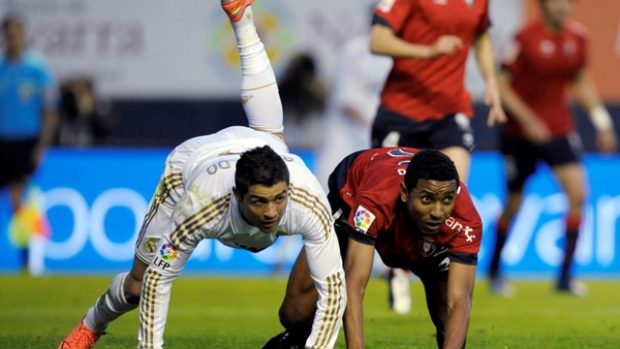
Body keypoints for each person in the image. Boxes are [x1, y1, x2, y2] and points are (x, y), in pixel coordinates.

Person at [56, 1, 346, 348]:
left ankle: (243, 20)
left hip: (260, 146)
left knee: (272, 136)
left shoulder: (307, 202)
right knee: (137, 283)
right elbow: (158, 281)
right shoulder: (200, 207)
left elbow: (333, 293)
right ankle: (91, 325)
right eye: (259, 201)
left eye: (277, 200)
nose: (271, 213)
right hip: (192, 163)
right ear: (239, 196)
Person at [264, 147, 482, 349]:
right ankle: (297, 337)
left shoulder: (466, 220)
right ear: (405, 192)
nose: (437, 211)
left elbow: (460, 299)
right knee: (294, 313)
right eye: (427, 198)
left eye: (447, 200)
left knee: (450, 321)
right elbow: (354, 283)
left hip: (422, 241)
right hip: (350, 201)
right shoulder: (373, 200)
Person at [368, 0, 505, 314]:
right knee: (395, 198)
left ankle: (436, 266)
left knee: (452, 188)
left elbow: (481, 35)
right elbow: (377, 41)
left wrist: (491, 81)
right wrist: (428, 50)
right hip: (401, 111)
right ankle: (399, 268)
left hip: (449, 110)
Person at [487, 0, 617, 296]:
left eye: (568, 2)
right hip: (519, 133)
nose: (565, 7)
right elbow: (502, 86)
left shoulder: (578, 38)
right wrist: (528, 119)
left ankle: (565, 277)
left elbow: (580, 80)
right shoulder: (523, 39)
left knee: (578, 194)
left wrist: (601, 121)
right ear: (543, 6)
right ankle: (495, 271)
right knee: (514, 204)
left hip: (558, 129)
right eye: (558, 2)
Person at [0, 14, 58, 273]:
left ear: (23, 35)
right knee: (13, 198)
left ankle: (27, 258)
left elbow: (50, 111)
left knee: (17, 198)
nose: (13, 38)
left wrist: (41, 147)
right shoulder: (1, 68)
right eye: (8, 33)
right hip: (2, 140)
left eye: (16, 33)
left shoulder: (37, 69)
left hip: (26, 141)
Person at [315, 33, 392, 188]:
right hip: (345, 143)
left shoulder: (402, 52)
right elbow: (347, 101)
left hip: (376, 144)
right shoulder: (356, 49)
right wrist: (377, 127)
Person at [56, 75, 115, 147]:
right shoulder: (67, 108)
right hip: (68, 151)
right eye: (77, 91)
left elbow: (107, 131)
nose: (81, 94)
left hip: (96, 150)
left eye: (83, 90)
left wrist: (90, 112)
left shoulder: (100, 106)